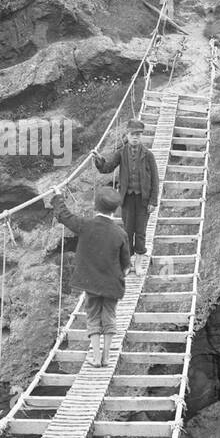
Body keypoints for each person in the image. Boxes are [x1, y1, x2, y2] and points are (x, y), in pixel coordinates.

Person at [48, 185, 131, 367]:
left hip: (91, 283)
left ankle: (95, 357)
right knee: (109, 317)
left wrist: (58, 196)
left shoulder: (85, 225)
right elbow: (126, 264)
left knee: (93, 316)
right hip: (112, 285)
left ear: (95, 207)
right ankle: (107, 357)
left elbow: (65, 216)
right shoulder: (121, 233)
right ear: (115, 209)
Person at [91, 118, 158, 274]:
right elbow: (107, 168)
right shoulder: (121, 153)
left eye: (138, 135)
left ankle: (139, 264)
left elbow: (155, 179)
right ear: (127, 135)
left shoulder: (148, 155)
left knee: (140, 231)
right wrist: (98, 159)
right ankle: (127, 263)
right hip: (127, 199)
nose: (135, 137)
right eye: (132, 134)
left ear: (141, 137)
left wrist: (153, 201)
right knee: (127, 231)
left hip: (143, 200)